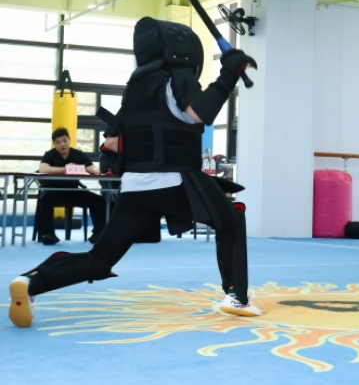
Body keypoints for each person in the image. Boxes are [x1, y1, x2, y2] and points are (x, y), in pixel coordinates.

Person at [9, 17, 261, 329]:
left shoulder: (134, 89)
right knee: (231, 219)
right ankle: (237, 296)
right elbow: (200, 112)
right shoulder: (177, 76)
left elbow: (111, 144)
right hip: (173, 180)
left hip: (134, 189)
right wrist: (228, 73)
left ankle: (31, 281)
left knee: (101, 258)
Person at [35, 127, 107, 245]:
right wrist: (65, 169)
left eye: (64, 140)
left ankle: (98, 233)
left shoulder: (77, 154)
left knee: (98, 200)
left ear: (69, 140)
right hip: (54, 191)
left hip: (73, 191)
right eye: (58, 142)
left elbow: (92, 167)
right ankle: (48, 234)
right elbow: (43, 169)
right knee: (44, 199)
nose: (62, 144)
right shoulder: (50, 154)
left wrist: (92, 170)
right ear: (54, 144)